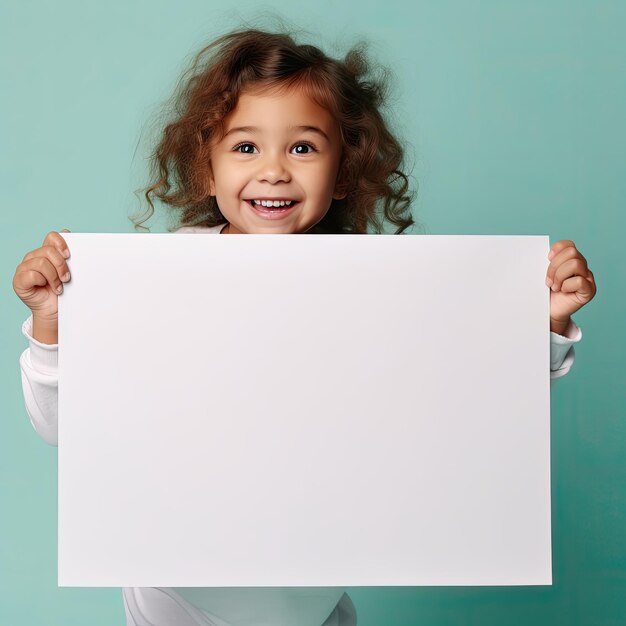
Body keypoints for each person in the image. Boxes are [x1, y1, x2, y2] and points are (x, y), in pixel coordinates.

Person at [12, 27, 597, 626]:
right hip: (179, 595)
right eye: (245, 148)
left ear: (343, 172)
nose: (273, 171)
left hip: (314, 596)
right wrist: (52, 327)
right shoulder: (159, 279)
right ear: (205, 170)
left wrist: (544, 325)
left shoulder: (376, 286)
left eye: (302, 148)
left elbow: (472, 415)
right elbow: (70, 431)